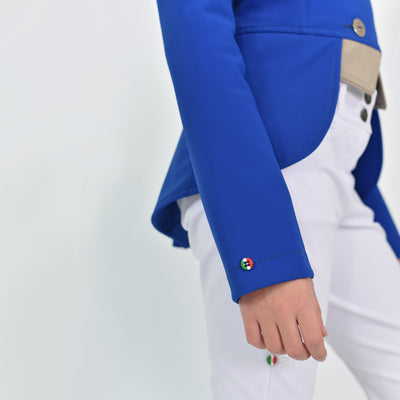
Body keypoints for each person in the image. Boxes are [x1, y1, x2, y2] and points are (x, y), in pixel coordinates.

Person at [151, 0, 400, 398]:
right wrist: (262, 256)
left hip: (339, 176)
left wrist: (388, 237)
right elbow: (194, 23)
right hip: (268, 175)